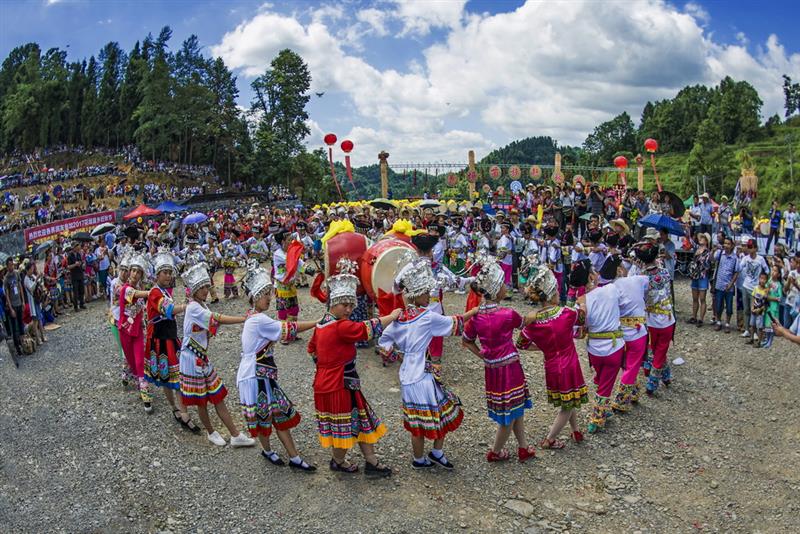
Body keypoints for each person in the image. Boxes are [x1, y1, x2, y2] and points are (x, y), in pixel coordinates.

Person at [379, 256, 476, 470]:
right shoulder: (427, 317)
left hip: (407, 375)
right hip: (423, 375)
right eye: (427, 293)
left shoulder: (400, 318)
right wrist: (475, 311)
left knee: (417, 422)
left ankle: (419, 459)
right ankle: (436, 452)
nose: (429, 296)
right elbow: (455, 323)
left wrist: (399, 355)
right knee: (442, 413)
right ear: (419, 294)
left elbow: (383, 344)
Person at [308, 259, 399, 477]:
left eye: (351, 305)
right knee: (345, 427)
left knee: (359, 420)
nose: (349, 309)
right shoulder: (341, 326)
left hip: (338, 381)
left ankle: (371, 461)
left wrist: (325, 365)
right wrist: (392, 316)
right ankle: (338, 461)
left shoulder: (322, 324)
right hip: (338, 383)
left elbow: (312, 350)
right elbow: (367, 329)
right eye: (344, 305)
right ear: (334, 304)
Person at [239, 262, 317, 471]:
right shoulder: (258, 320)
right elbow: (287, 328)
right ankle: (275, 452)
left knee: (276, 414)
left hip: (260, 373)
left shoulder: (253, 317)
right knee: (267, 415)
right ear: (255, 297)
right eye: (265, 295)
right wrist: (316, 322)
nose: (269, 298)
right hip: (255, 375)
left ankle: (291, 456)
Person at [460, 255, 536, 460]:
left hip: (492, 368)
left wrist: (482, 355)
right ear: (495, 289)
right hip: (510, 368)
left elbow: (466, 341)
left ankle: (523, 447)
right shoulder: (507, 314)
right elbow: (525, 324)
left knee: (515, 409)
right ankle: (495, 452)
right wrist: (543, 314)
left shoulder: (476, 316)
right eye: (503, 284)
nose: (506, 287)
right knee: (508, 414)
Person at [180, 262, 255, 448]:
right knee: (202, 400)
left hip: (200, 356)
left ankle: (235, 434)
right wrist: (243, 319)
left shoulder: (201, 305)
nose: (206, 290)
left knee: (217, 394)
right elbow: (217, 319)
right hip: (191, 358)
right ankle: (211, 432)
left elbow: (212, 324)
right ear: (194, 290)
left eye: (207, 287)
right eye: (202, 288)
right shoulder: (193, 308)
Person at [517, 257, 588, 447]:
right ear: (551, 295)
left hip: (551, 364)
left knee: (569, 399)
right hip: (569, 363)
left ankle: (575, 430)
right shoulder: (565, 313)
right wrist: (582, 302)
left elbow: (521, 344)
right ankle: (550, 439)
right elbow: (582, 319)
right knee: (568, 404)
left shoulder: (534, 321)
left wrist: (541, 347)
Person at [144, 248, 199, 431]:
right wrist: (187, 306)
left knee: (173, 377)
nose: (168, 276)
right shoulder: (154, 292)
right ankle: (181, 412)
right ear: (157, 274)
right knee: (172, 378)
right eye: (165, 273)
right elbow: (168, 310)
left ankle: (179, 409)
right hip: (161, 340)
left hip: (168, 338)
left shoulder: (164, 291)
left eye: (169, 273)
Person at [636, 241, 677, 396]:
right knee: (661, 349)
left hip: (650, 319)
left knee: (654, 346)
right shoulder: (665, 273)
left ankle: (663, 375)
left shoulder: (641, 278)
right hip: (666, 318)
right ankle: (652, 383)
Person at [118, 252, 153, 413]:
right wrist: (152, 292)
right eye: (133, 271)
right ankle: (126, 373)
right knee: (129, 358)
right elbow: (137, 295)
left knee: (140, 361)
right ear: (128, 271)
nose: (135, 274)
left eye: (138, 272)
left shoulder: (140, 287)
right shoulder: (124, 289)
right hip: (125, 330)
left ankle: (145, 393)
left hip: (138, 330)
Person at [738, 239, 769, 340]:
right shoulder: (745, 258)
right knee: (746, 309)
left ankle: (755, 331)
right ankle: (747, 329)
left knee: (755, 310)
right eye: (748, 247)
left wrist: (764, 284)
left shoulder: (760, 259)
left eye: (751, 247)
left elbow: (767, 271)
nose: (749, 249)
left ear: (756, 248)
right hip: (746, 286)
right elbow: (739, 267)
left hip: (756, 289)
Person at [712, 237, 739, 333]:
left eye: (728, 244)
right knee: (718, 305)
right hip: (719, 284)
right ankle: (718, 321)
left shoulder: (735, 258)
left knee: (729, 306)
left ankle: (727, 323)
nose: (726, 245)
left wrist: (731, 284)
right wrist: (712, 251)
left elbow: (736, 272)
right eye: (725, 243)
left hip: (729, 286)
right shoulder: (720, 254)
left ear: (732, 246)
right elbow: (712, 259)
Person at [688, 233, 712, 327]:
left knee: (702, 298)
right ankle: (694, 316)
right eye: (700, 238)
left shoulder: (708, 252)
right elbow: (690, 240)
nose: (701, 239)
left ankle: (701, 319)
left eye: (703, 238)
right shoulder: (697, 248)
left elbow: (708, 264)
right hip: (695, 275)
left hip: (702, 276)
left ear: (706, 241)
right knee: (694, 298)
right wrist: (688, 230)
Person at [761, 267, 783, 348]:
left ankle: (770, 341)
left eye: (775, 271)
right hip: (768, 306)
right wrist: (768, 288)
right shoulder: (769, 281)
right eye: (772, 270)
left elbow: (780, 297)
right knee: (767, 323)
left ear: (778, 274)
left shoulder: (779, 285)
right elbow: (765, 293)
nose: (773, 272)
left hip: (774, 307)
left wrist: (773, 298)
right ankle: (767, 339)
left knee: (772, 324)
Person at [747, 272, 769, 347]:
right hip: (754, 310)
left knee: (760, 327)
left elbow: (766, 303)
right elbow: (753, 297)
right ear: (759, 279)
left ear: (766, 280)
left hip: (760, 312)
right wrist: (752, 307)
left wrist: (760, 309)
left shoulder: (766, 291)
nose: (762, 280)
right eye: (761, 278)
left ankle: (759, 341)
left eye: (764, 279)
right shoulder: (756, 288)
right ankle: (751, 338)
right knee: (752, 325)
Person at [67, 241, 86, 311]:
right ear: (73, 247)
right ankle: (75, 306)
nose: (78, 248)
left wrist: (81, 264)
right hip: (74, 275)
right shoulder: (70, 255)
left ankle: (81, 303)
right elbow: (68, 266)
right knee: (75, 292)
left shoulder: (78, 254)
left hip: (80, 274)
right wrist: (75, 264)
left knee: (82, 290)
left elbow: (81, 262)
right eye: (76, 246)